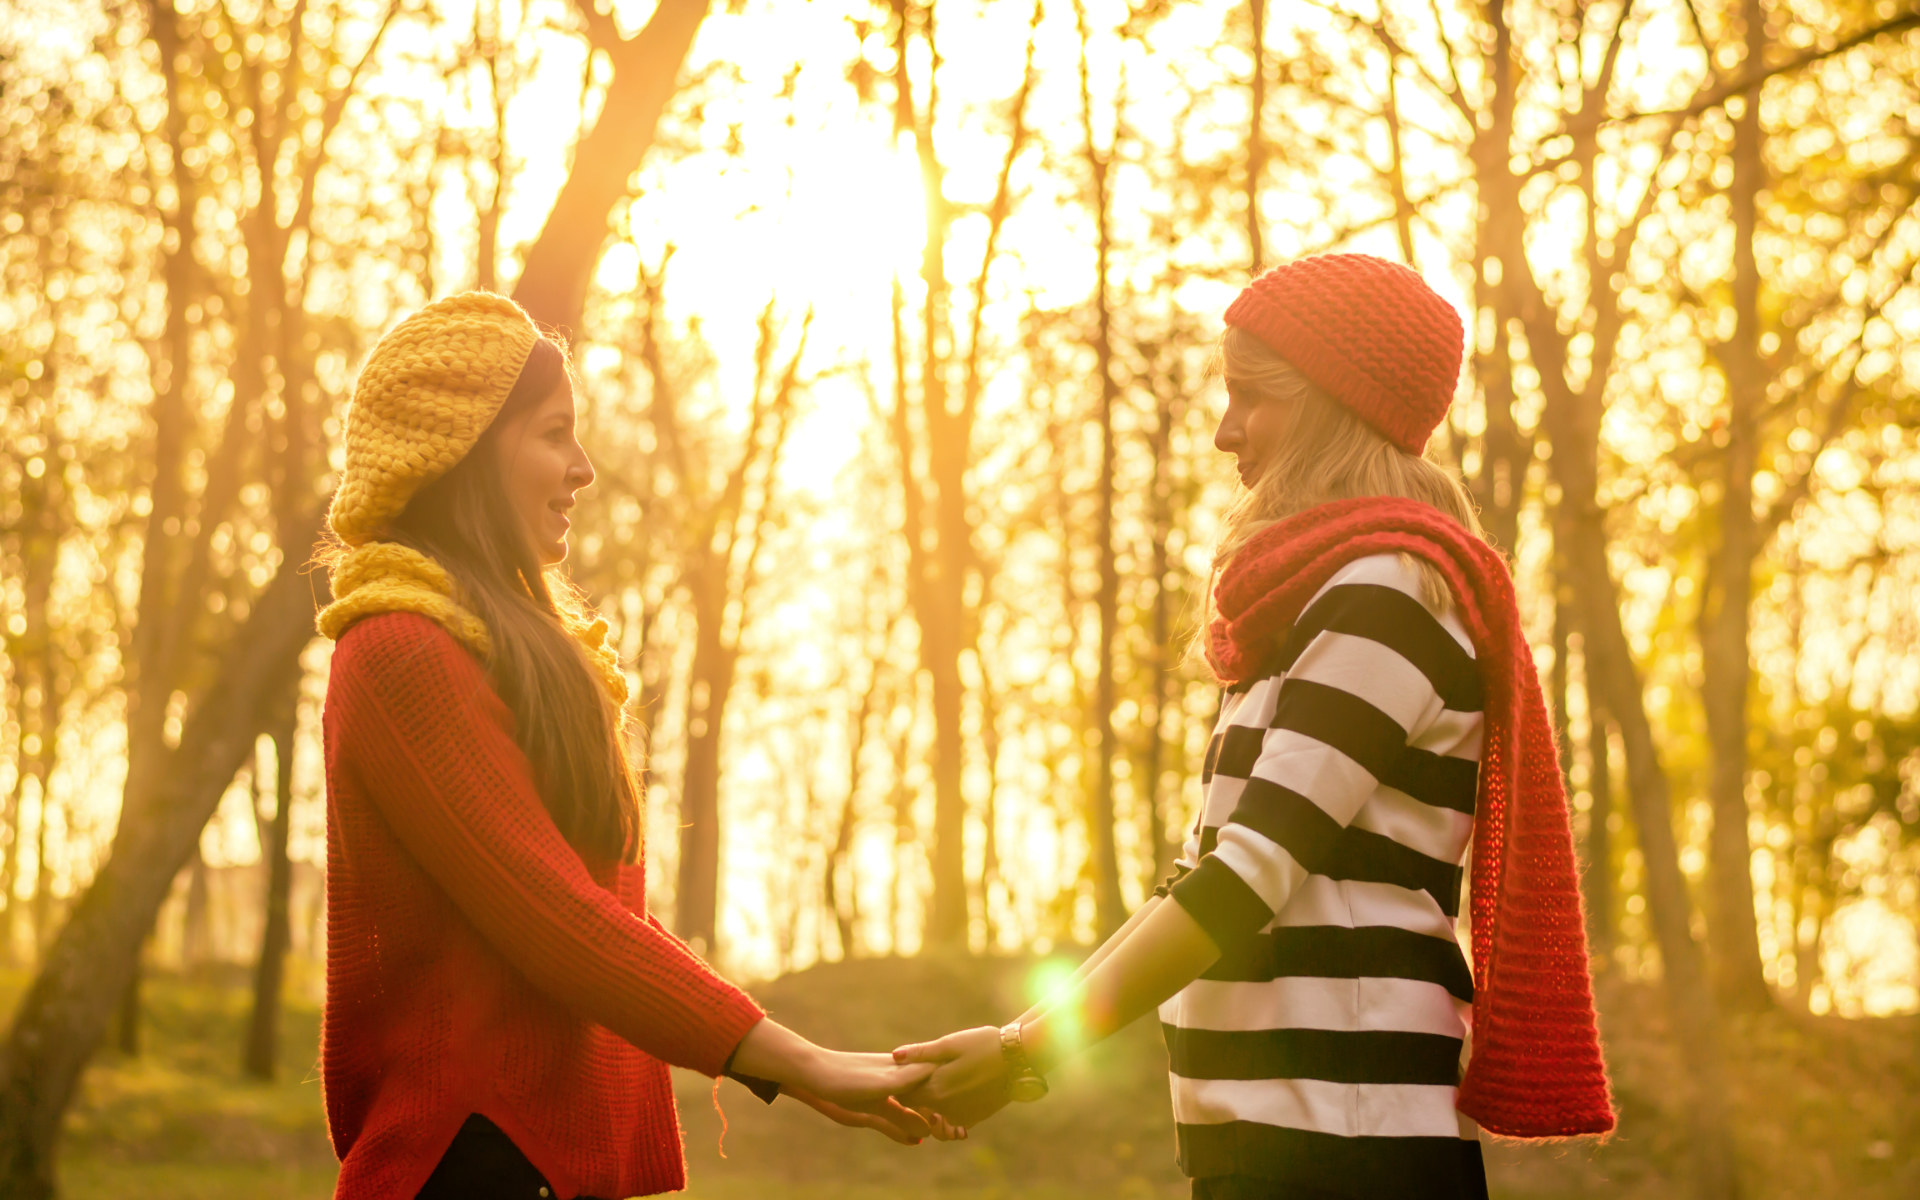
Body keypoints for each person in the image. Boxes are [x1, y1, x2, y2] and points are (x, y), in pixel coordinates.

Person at [894, 254, 1615, 1199]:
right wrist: (1021, 1043)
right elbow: (1206, 874)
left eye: (1251, 397)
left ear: (1331, 401)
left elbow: (1245, 881)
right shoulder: (1320, 601)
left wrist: (1025, 1049)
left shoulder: (1388, 593)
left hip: (1347, 1143)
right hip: (1272, 1138)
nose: (1226, 431)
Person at [315, 292, 940, 1200]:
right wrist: (800, 1063)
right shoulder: (398, 654)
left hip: (552, 1165)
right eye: (553, 433)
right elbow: (556, 919)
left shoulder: (519, 649)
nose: (584, 469)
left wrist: (789, 1067)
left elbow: (599, 908)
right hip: (474, 1160)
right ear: (463, 450)